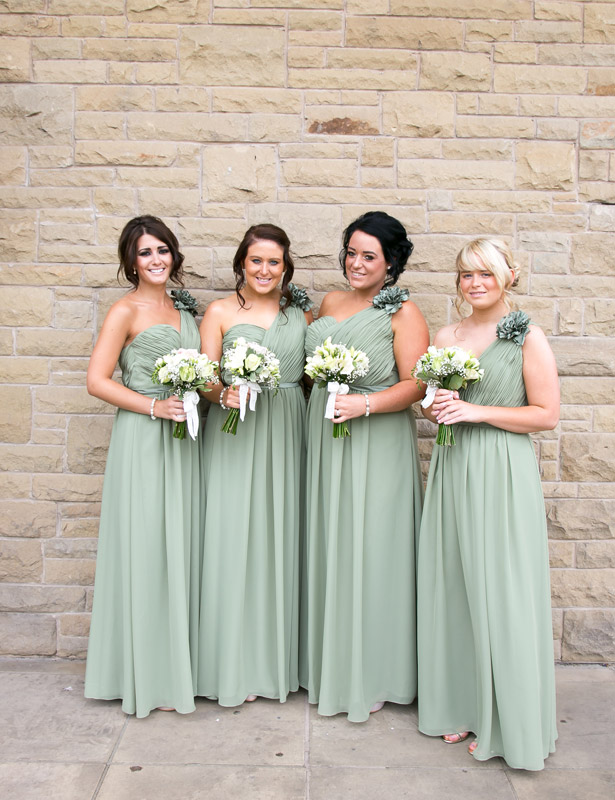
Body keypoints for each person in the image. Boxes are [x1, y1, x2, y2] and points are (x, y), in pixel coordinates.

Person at [417, 237, 559, 770]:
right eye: (465, 275)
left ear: (508, 278)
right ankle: (464, 704)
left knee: (501, 590)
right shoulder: (447, 335)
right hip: (454, 467)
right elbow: (435, 406)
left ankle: (509, 721)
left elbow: (546, 414)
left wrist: (475, 412)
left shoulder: (527, 336)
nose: (474, 284)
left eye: (485, 274)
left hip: (501, 468)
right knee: (454, 584)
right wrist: (441, 406)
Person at [300, 211, 429, 722]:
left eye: (368, 256)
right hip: (325, 438)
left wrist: (365, 405)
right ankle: (329, 661)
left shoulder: (404, 313)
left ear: (391, 262)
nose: (356, 263)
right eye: (351, 252)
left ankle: (376, 670)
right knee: (331, 544)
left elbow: (415, 384)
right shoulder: (329, 303)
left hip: (375, 442)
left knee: (373, 550)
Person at [84, 215, 203, 717]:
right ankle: (139, 671)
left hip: (187, 439)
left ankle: (177, 664)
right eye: (145, 253)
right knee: (144, 549)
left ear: (173, 256)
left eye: (162, 250)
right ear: (130, 262)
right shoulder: (125, 310)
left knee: (181, 547)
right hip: (144, 436)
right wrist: (153, 407)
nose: (156, 260)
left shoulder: (183, 308)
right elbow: (97, 380)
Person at [196, 224, 313, 706]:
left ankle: (279, 660)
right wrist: (222, 392)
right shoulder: (220, 312)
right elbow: (203, 378)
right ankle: (230, 664)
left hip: (288, 425)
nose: (265, 270)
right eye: (256, 260)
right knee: (231, 536)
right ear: (241, 263)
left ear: (286, 267)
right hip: (235, 431)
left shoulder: (301, 314)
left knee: (282, 537)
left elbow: (311, 376)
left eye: (274, 262)